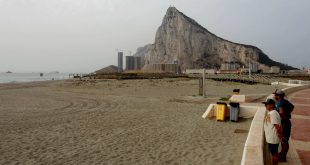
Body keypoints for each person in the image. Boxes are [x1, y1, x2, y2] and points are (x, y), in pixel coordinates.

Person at [274, 90, 294, 162]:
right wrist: (287, 114)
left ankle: (283, 157)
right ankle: (283, 154)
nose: (274, 96)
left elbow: (281, 112)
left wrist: (281, 117)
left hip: (284, 123)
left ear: (278, 96)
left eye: (275, 95)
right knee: (285, 140)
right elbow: (292, 107)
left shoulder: (280, 103)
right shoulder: (285, 101)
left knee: (284, 141)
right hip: (287, 122)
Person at [263, 99, 282, 165]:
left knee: (274, 154)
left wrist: (280, 136)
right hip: (271, 138)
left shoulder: (273, 113)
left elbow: (277, 126)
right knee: (274, 153)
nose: (265, 106)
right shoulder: (272, 112)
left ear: (271, 105)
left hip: (273, 138)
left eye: (266, 104)